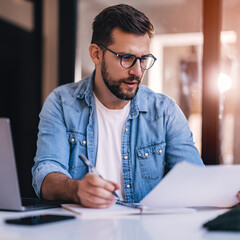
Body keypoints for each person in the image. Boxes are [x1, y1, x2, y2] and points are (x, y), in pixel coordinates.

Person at [32, 4, 205, 209]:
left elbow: (196, 179)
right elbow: (45, 173)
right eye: (127, 58)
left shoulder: (165, 112)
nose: (138, 71)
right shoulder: (61, 103)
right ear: (96, 54)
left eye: (144, 60)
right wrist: (75, 189)